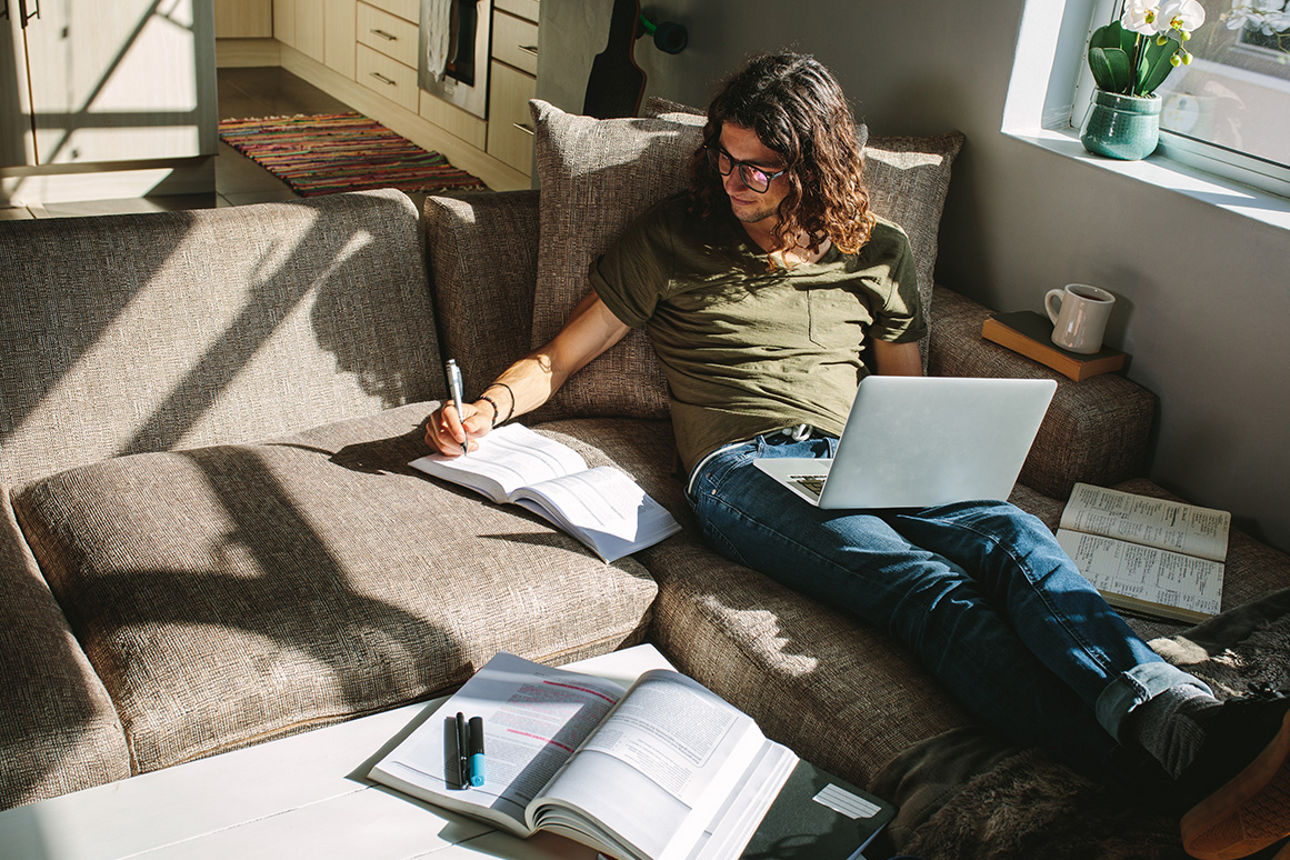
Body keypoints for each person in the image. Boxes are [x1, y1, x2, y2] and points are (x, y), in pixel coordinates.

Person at [425, 52, 1290, 859]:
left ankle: (1182, 726)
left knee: (1013, 536)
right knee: (930, 590)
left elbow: (904, 399)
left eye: (760, 168)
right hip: (743, 471)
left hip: (865, 449)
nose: (736, 183)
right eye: (725, 160)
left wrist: (944, 469)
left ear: (816, 163)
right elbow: (556, 360)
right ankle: (1170, 775)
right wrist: (485, 409)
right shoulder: (673, 237)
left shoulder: (878, 249)